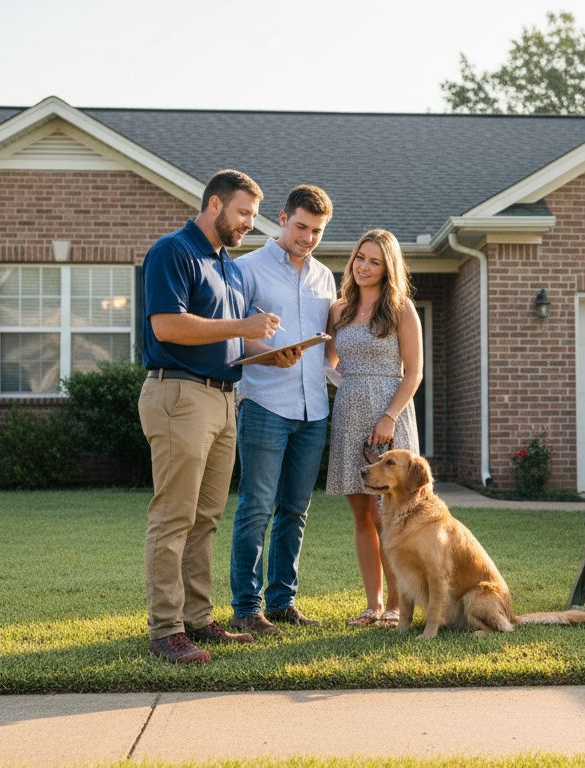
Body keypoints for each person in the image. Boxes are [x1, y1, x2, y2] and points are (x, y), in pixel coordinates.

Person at [138, 169, 285, 665]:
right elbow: (169, 326)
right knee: (173, 516)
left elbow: (232, 340)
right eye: (243, 213)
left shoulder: (231, 268)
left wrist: (271, 355)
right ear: (215, 204)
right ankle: (166, 630)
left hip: (224, 399)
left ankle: (198, 619)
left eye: (253, 216)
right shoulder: (173, 251)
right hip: (179, 395)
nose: (249, 224)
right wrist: (244, 326)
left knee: (205, 519)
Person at [228, 184, 336, 635]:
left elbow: (329, 346)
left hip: (314, 410)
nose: (307, 238)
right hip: (265, 403)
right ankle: (245, 608)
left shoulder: (325, 277)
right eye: (301, 227)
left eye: (317, 231)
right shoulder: (245, 269)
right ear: (283, 218)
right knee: (256, 508)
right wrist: (270, 354)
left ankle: (282, 601)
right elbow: (232, 335)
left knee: (295, 509)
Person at [324, 228, 423, 628]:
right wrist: (346, 384)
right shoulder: (338, 310)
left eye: (374, 262)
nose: (363, 267)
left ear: (387, 268)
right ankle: (373, 604)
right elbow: (328, 360)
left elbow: (414, 372)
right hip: (349, 415)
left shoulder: (401, 308)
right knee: (362, 514)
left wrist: (388, 416)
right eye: (360, 258)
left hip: (390, 414)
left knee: (390, 516)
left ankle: (399, 605)